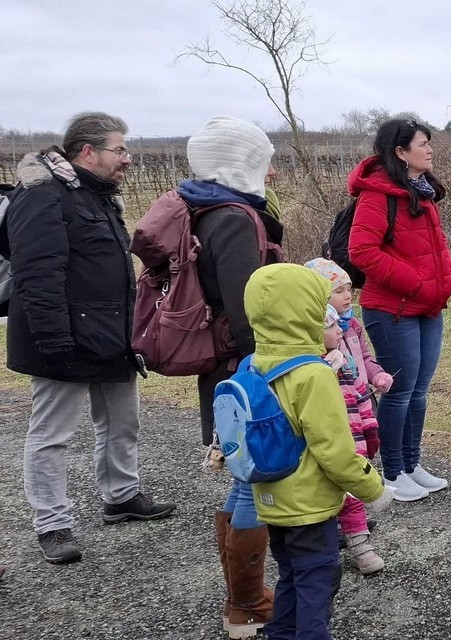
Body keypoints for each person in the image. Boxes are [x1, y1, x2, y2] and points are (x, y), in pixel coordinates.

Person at [6, 112, 177, 565]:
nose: (128, 158)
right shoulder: (42, 195)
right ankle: (52, 524)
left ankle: (121, 497)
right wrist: (54, 342)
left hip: (111, 335)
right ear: (88, 152)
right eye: (119, 150)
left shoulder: (97, 195)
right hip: (62, 338)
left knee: (122, 422)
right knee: (52, 434)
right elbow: (37, 275)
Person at [164, 115, 282, 637]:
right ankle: (247, 602)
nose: (272, 171)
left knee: (242, 477)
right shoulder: (234, 218)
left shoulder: (207, 209)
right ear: (240, 162)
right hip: (244, 367)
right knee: (254, 479)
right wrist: (270, 367)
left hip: (222, 365)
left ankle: (242, 598)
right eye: (264, 161)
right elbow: (246, 305)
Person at [244, 263, 395, 639]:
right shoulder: (314, 374)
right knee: (318, 581)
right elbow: (336, 453)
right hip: (309, 505)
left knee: (291, 575)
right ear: (309, 311)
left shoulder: (253, 364)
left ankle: (281, 633)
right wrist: (373, 489)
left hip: (271, 501)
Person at [347, 118, 451, 501]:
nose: (430, 150)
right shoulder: (377, 195)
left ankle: (412, 464)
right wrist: (417, 284)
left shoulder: (422, 192)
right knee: (399, 391)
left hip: (428, 308)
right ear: (400, 151)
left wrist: (448, 279)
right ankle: (392, 473)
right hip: (392, 310)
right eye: (423, 143)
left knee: (418, 391)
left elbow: (439, 246)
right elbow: (362, 251)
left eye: (429, 143)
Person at [304, 258, 394, 575]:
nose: (347, 296)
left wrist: (377, 375)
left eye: (348, 289)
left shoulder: (352, 326)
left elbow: (364, 361)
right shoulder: (312, 343)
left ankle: (354, 539)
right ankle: (345, 544)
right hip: (331, 422)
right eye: (339, 291)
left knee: (355, 478)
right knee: (334, 483)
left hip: (358, 412)